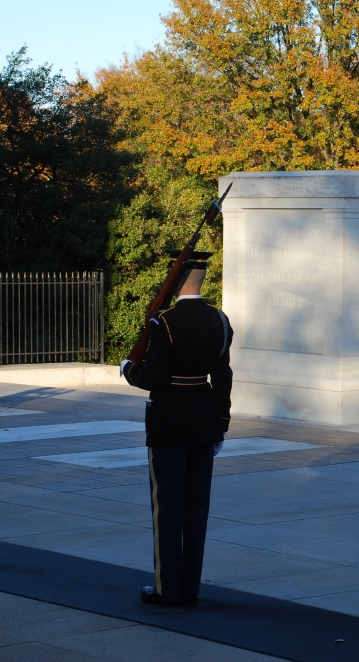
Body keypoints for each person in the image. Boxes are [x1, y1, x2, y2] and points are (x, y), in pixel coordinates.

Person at [120, 249, 233, 607]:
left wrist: (127, 369)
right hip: (204, 421)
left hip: (169, 421)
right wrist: (222, 424)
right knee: (196, 507)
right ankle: (190, 588)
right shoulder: (220, 319)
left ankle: (168, 588)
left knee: (166, 507)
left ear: (176, 276)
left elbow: (154, 377)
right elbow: (223, 377)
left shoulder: (163, 322)